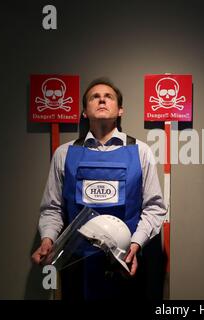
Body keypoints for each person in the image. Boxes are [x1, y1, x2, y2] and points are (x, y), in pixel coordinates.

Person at [31, 77, 166, 299]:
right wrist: (48, 239)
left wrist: (136, 245)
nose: (102, 100)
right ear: (84, 112)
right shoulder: (64, 154)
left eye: (108, 97)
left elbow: (154, 208)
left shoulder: (141, 151)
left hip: (125, 263)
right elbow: (52, 208)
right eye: (95, 97)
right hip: (76, 265)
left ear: (120, 110)